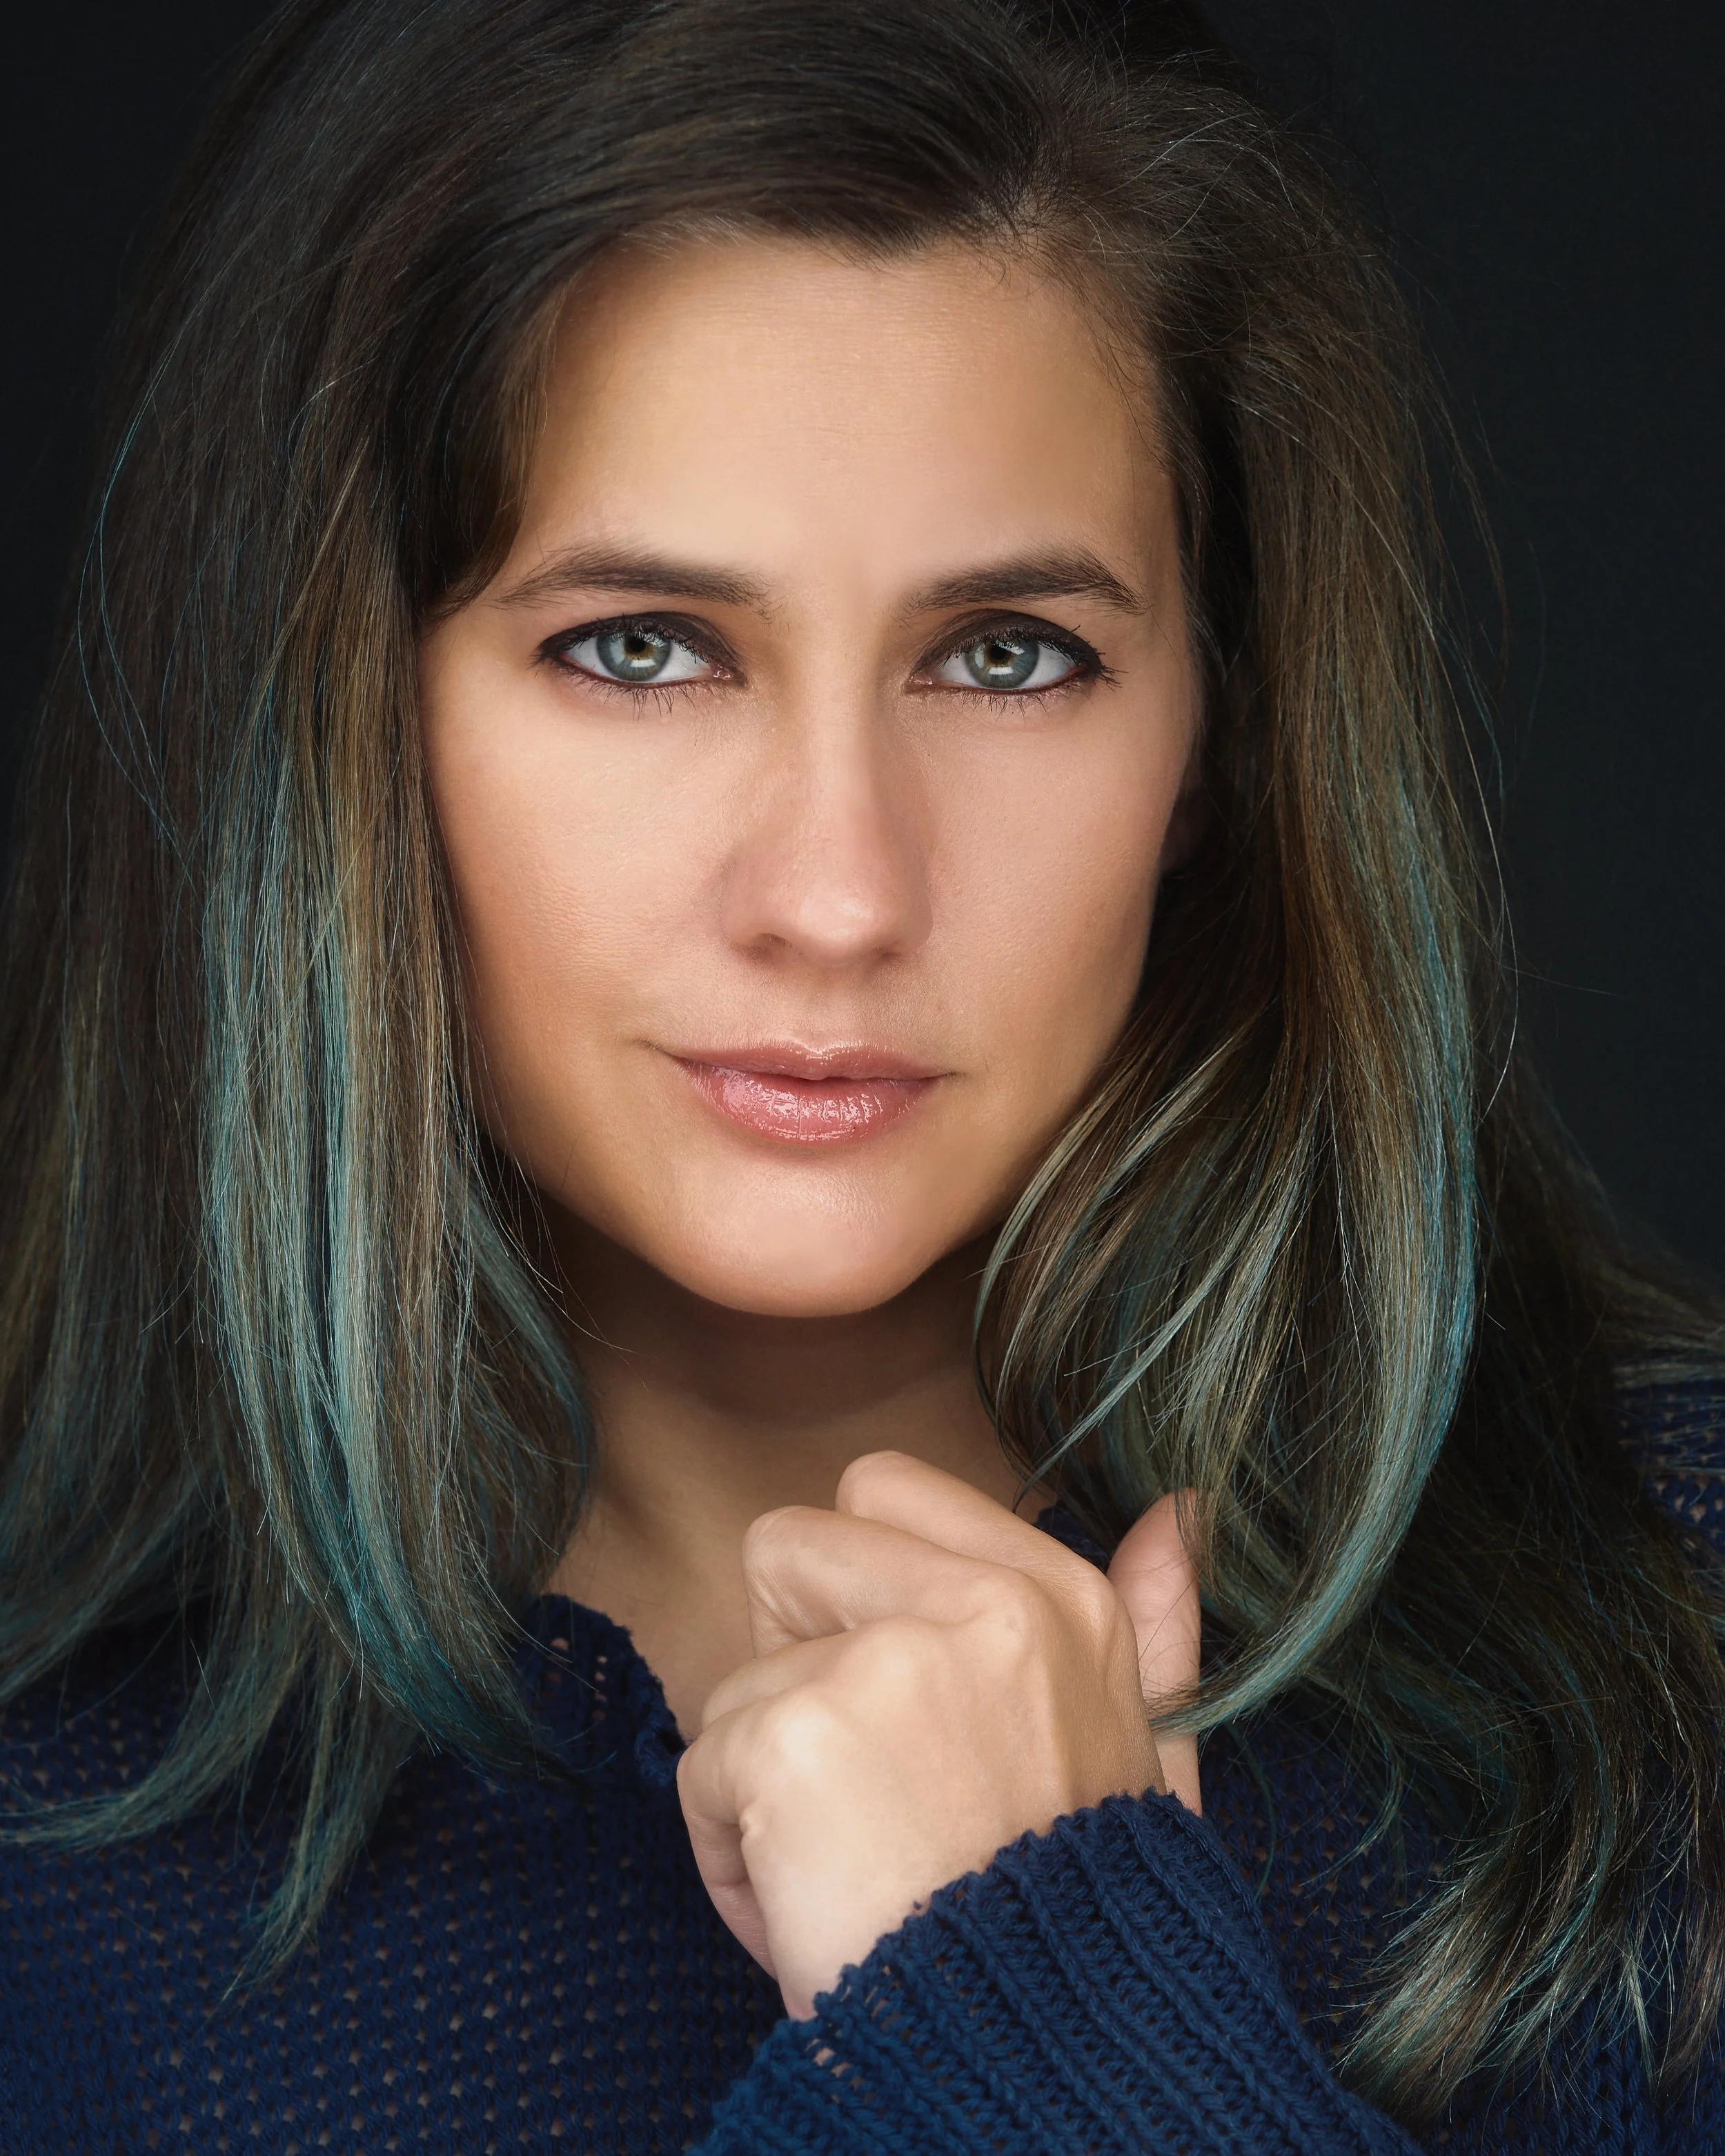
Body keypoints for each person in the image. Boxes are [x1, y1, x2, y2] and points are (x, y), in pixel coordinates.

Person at [0, 0, 1719, 2148]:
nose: (836, 891)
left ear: (1219, 738)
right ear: (336, 717)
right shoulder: (46, 1875)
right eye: (637, 647)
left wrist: (1050, 2000)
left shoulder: (1679, 1647)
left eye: (1008, 657)